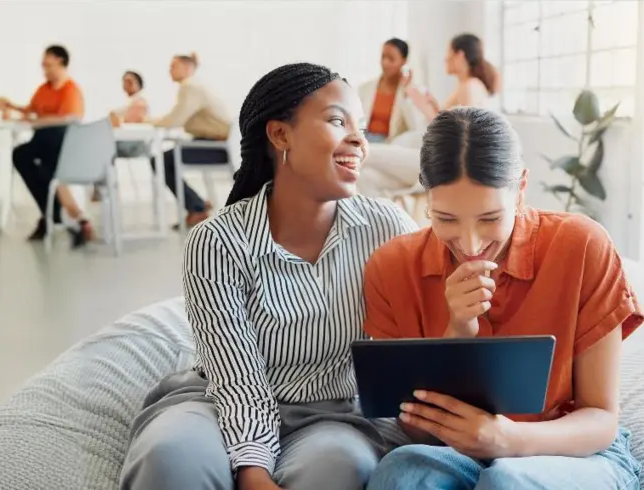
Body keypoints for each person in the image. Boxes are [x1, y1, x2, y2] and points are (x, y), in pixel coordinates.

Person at [118, 62, 420, 490]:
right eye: (338, 121)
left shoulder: (387, 227)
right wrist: (253, 470)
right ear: (280, 135)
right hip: (218, 401)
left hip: (334, 412)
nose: (359, 139)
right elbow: (237, 377)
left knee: (340, 467)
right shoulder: (217, 240)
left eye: (362, 126)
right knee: (172, 458)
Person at [362, 107, 644, 489]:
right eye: (445, 220)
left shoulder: (582, 246)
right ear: (425, 197)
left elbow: (601, 419)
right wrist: (457, 331)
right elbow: (420, 436)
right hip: (454, 453)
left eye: (490, 218)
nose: (471, 244)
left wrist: (509, 440)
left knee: (507, 481)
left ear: (522, 189)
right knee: (401, 473)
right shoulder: (391, 266)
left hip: (570, 452)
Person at [0, 45, 94, 245]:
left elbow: (70, 118)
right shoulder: (43, 89)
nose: (44, 70)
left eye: (48, 65)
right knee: (21, 156)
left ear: (61, 63)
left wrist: (37, 122)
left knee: (52, 171)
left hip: (61, 142)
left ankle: (66, 217)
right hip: (41, 141)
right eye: (43, 66)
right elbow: (31, 111)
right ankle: (54, 213)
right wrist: (9, 106)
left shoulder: (71, 90)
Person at [135, 52, 231, 229]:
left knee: (162, 161)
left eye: (173, 66)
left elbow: (174, 120)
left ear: (187, 68)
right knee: (164, 159)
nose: (169, 70)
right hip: (212, 144)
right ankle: (198, 205)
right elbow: (176, 119)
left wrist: (142, 120)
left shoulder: (190, 86)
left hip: (216, 148)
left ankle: (197, 207)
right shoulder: (194, 85)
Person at [404, 33, 499, 122]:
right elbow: (455, 124)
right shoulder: (467, 85)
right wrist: (436, 108)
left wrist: (423, 106)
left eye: (449, 51)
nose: (445, 59)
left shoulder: (470, 86)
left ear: (460, 55)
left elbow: (468, 134)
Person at [360, 38, 419, 143]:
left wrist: (407, 91)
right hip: (364, 139)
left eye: (391, 59)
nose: (385, 63)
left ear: (404, 61)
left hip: (387, 143)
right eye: (383, 57)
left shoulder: (408, 92)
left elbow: (414, 127)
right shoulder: (366, 88)